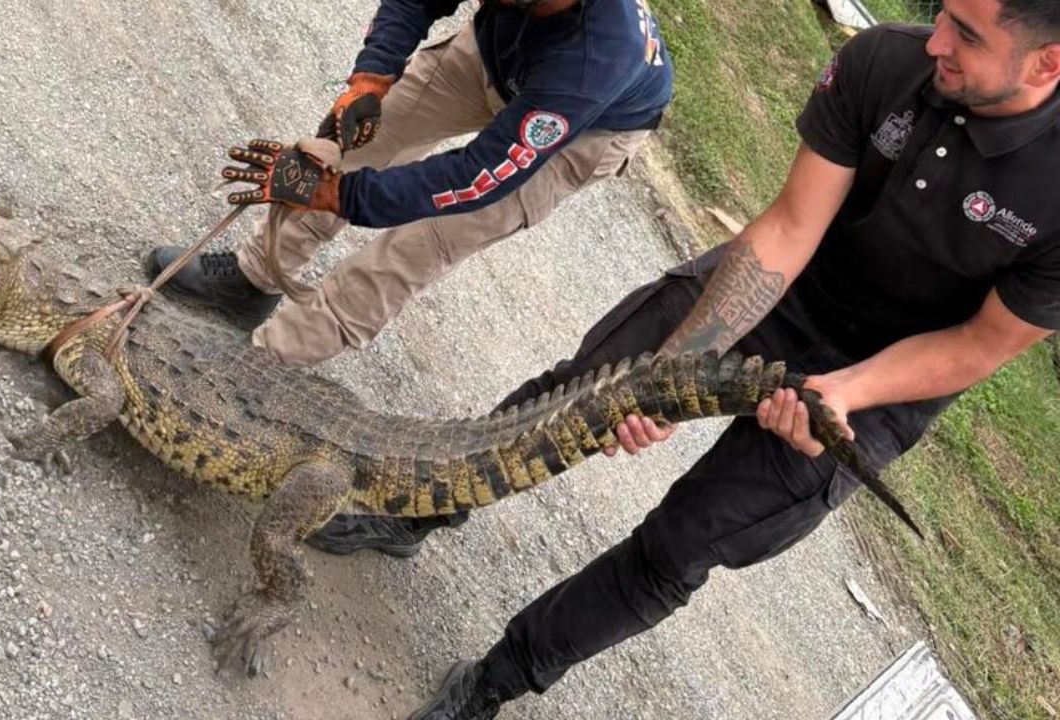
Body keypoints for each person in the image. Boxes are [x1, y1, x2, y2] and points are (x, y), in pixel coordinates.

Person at [393, 0, 1060, 716]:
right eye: (942, 14)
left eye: (965, 34)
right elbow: (789, 228)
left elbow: (978, 346)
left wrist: (843, 392)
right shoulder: (885, 60)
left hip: (888, 376)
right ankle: (412, 514)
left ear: (1047, 62)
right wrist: (661, 381)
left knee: (679, 548)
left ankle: (498, 681)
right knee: (581, 390)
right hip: (784, 287)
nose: (935, 42)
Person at [145, 0, 673, 369]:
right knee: (351, 144)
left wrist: (342, 197)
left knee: (418, 245)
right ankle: (251, 279)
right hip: (496, 53)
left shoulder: (595, 61)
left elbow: (476, 176)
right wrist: (372, 76)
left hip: (582, 130)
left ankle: (257, 368)